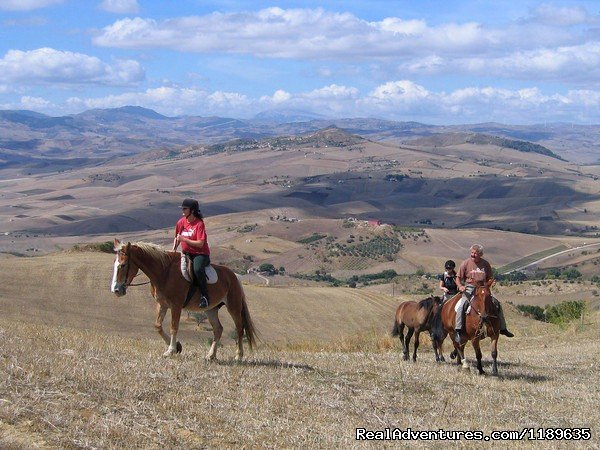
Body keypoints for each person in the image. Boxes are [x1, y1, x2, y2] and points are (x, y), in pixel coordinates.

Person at [454, 244, 514, 343]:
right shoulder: (465, 263)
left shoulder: (485, 264)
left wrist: (491, 282)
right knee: (461, 306)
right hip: (470, 288)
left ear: (481, 254)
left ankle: (503, 328)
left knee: (497, 303)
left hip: (483, 288)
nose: (472, 255)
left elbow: (490, 277)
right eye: (472, 253)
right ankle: (458, 331)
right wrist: (460, 286)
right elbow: (458, 278)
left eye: (475, 253)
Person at [172, 198, 210, 308]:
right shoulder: (181, 222)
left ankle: (205, 296)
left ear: (192, 210)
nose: (182, 211)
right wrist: (174, 249)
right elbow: (177, 237)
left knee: (197, 269)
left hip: (200, 254)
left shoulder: (199, 224)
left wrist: (184, 240)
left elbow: (200, 244)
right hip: (186, 253)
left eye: (185, 209)